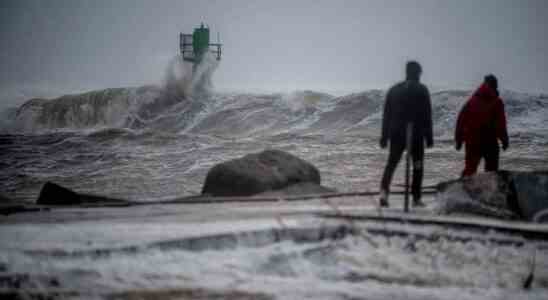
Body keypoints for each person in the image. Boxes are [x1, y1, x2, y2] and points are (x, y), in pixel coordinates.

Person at [379, 61, 433, 207]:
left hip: (396, 134)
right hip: (415, 135)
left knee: (391, 164)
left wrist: (384, 136)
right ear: (416, 73)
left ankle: (383, 193)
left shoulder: (394, 90)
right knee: (417, 165)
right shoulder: (422, 89)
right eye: (419, 73)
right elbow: (426, 114)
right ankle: (416, 198)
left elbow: (387, 115)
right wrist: (429, 136)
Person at [455, 74, 509, 177]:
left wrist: (459, 140)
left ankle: (462, 188)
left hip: (472, 140)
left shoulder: (472, 101)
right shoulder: (497, 102)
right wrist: (504, 140)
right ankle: (490, 189)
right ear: (495, 86)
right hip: (489, 140)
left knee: (470, 168)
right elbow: (500, 124)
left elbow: (460, 121)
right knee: (491, 170)